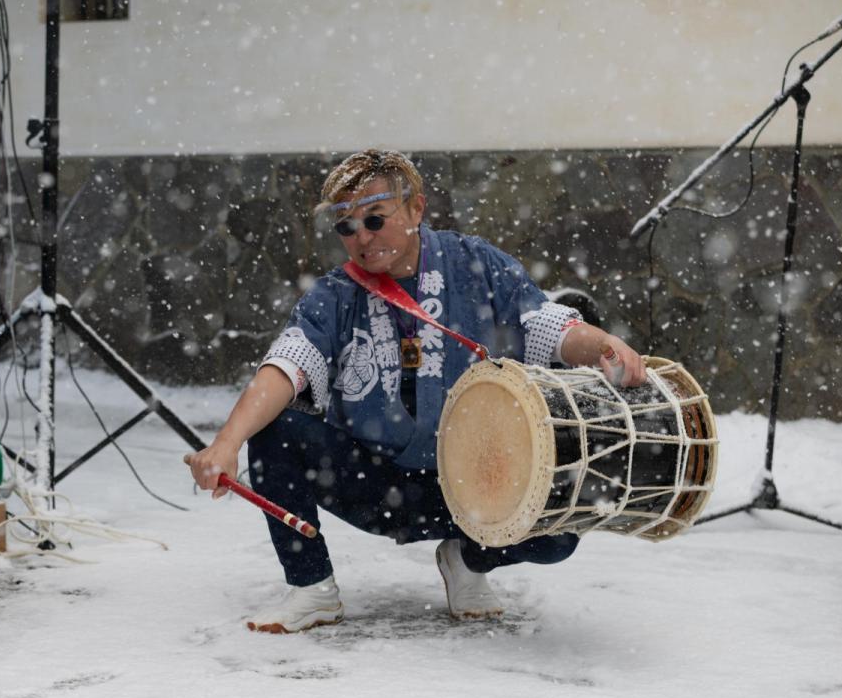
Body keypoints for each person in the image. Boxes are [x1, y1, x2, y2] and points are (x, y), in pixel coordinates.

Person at [185, 149, 646, 633]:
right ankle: (311, 588)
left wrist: (601, 345)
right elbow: (288, 363)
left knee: (564, 521)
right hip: (375, 484)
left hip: (479, 484)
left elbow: (545, 325)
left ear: (416, 208)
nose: (362, 237)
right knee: (276, 430)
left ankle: (470, 559)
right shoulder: (336, 293)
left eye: (375, 218)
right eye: (347, 226)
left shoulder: (476, 264)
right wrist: (226, 443)